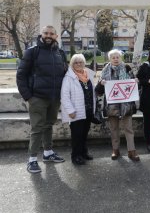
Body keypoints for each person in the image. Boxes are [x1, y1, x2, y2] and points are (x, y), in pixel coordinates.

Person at [16, 25, 67, 173]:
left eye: (52, 33)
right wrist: (28, 97)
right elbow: (21, 75)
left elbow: (65, 74)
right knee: (37, 128)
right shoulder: (32, 52)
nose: (48, 35)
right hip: (37, 98)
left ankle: (48, 153)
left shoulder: (60, 53)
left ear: (56, 36)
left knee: (48, 125)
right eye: (46, 33)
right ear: (41, 34)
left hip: (54, 98)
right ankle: (32, 160)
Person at [95, 49, 140, 161]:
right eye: (113, 57)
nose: (115, 59)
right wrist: (101, 84)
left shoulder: (127, 68)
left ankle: (132, 151)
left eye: (117, 57)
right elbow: (98, 91)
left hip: (126, 105)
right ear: (109, 59)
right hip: (111, 105)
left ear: (121, 58)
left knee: (128, 128)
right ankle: (115, 150)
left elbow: (134, 88)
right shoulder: (105, 70)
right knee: (114, 128)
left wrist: (135, 82)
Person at [61, 54, 96, 165]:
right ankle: (76, 156)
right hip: (76, 112)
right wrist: (70, 111)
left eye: (81, 62)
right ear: (72, 64)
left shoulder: (88, 75)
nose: (79, 64)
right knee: (77, 135)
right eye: (76, 62)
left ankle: (83, 153)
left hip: (88, 110)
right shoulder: (68, 78)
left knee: (84, 134)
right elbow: (64, 96)